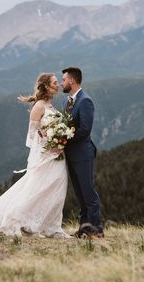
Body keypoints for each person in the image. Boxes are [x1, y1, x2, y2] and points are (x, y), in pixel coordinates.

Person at [0, 73, 71, 238]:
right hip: (46, 155)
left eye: (58, 82)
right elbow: (32, 135)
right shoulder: (39, 106)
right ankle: (14, 220)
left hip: (57, 154)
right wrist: (48, 138)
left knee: (57, 188)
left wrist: (59, 139)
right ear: (45, 86)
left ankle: (51, 226)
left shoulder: (51, 106)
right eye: (54, 83)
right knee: (37, 189)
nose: (58, 85)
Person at [61, 67, 104, 238]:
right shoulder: (67, 101)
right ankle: (84, 228)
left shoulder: (85, 101)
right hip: (71, 155)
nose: (61, 83)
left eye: (63, 79)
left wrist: (64, 139)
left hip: (83, 154)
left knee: (89, 193)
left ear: (71, 81)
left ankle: (97, 230)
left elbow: (85, 129)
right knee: (80, 194)